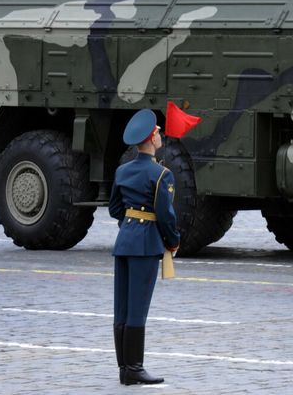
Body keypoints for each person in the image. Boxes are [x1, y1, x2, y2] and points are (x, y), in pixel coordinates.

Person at [109, 109, 179, 386]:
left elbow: (116, 208)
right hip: (146, 244)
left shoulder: (122, 170)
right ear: (151, 138)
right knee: (137, 308)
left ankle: (124, 368)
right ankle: (135, 368)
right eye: (158, 131)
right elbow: (166, 215)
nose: (160, 134)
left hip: (124, 241)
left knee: (122, 309)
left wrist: (131, 223)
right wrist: (172, 241)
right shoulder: (161, 174)